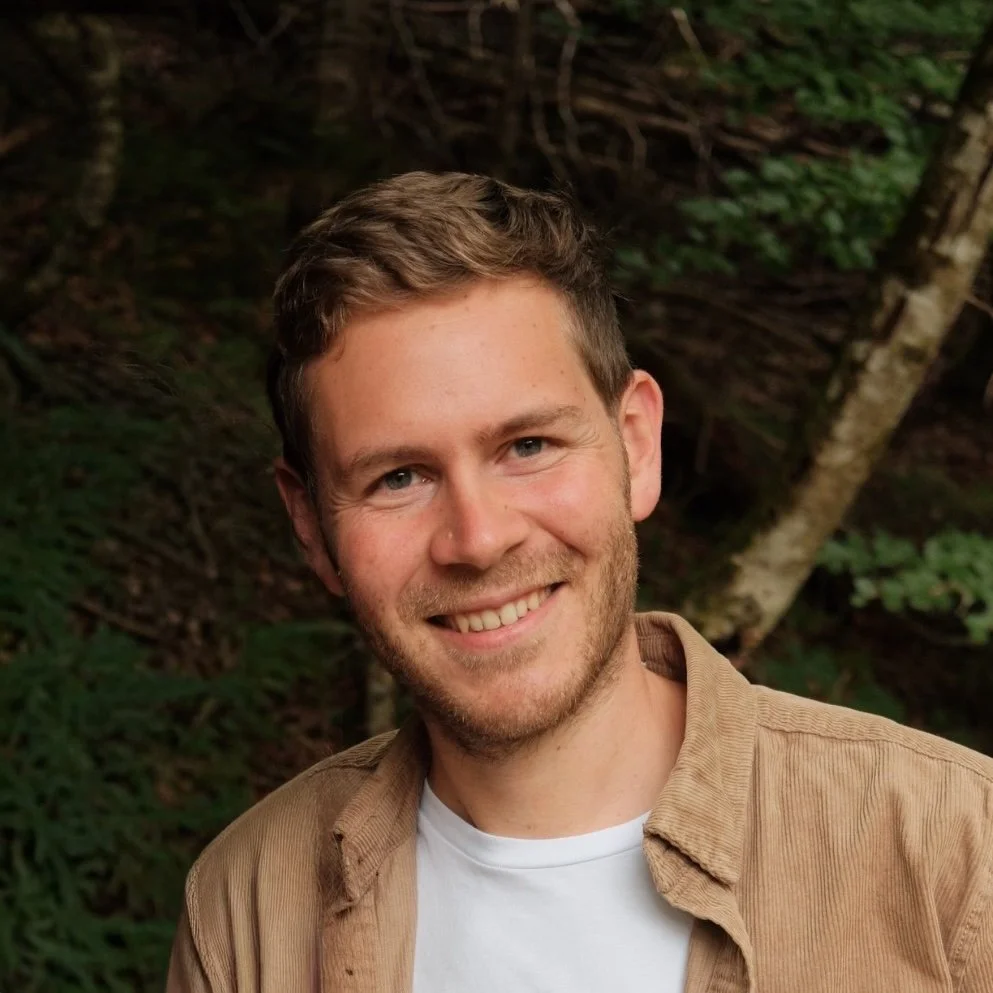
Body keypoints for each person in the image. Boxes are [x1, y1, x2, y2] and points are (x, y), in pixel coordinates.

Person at [166, 172, 993, 993]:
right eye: (398, 478)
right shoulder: (246, 905)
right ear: (311, 524)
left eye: (526, 446)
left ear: (635, 445)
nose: (478, 538)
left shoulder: (953, 855)